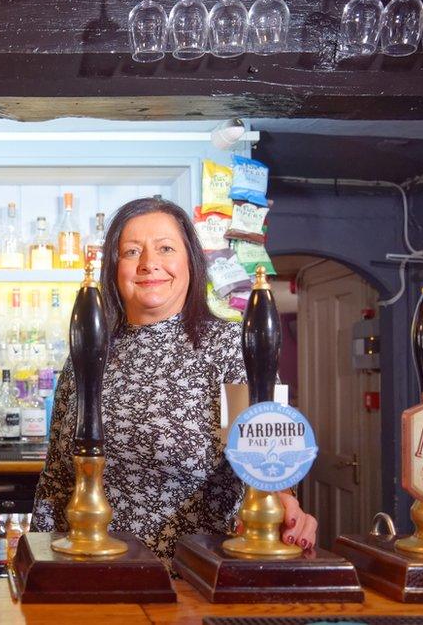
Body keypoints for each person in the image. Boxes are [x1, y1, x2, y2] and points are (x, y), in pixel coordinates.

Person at [33, 197, 317, 566]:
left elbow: (268, 449)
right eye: (132, 251)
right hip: (90, 573)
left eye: (165, 248)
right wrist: (36, 563)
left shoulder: (231, 349)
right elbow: (56, 479)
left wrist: (285, 503)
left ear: (190, 263)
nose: (149, 264)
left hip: (191, 577)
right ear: (114, 269)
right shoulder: (87, 354)